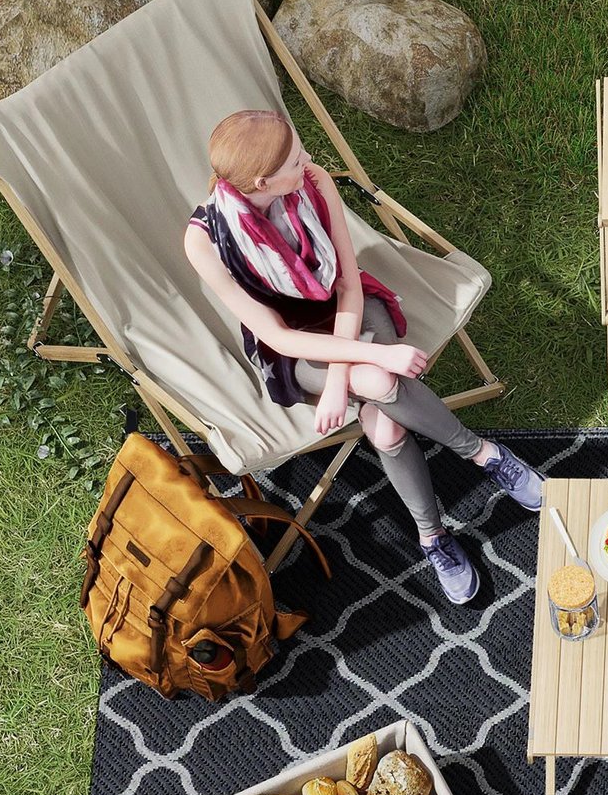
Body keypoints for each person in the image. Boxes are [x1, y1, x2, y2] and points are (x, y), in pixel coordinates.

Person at [183, 109, 543, 605]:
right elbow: (279, 337)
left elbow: (349, 287)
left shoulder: (315, 183)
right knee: (378, 384)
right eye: (295, 159)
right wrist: (368, 362)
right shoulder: (204, 240)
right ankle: (483, 457)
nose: (309, 160)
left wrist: (339, 381)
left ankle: (437, 527)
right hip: (294, 347)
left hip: (350, 310)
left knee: (385, 426)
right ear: (262, 182)